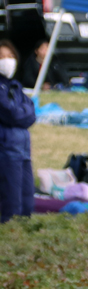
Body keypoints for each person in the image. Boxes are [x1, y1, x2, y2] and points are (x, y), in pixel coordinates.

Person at [0, 39, 36, 223]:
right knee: (11, 200)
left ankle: (24, 232)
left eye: (10, 56)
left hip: (23, 149)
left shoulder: (16, 86)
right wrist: (21, 114)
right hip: (6, 150)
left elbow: (31, 112)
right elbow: (9, 112)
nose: (7, 60)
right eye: (2, 57)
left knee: (27, 198)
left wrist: (21, 113)